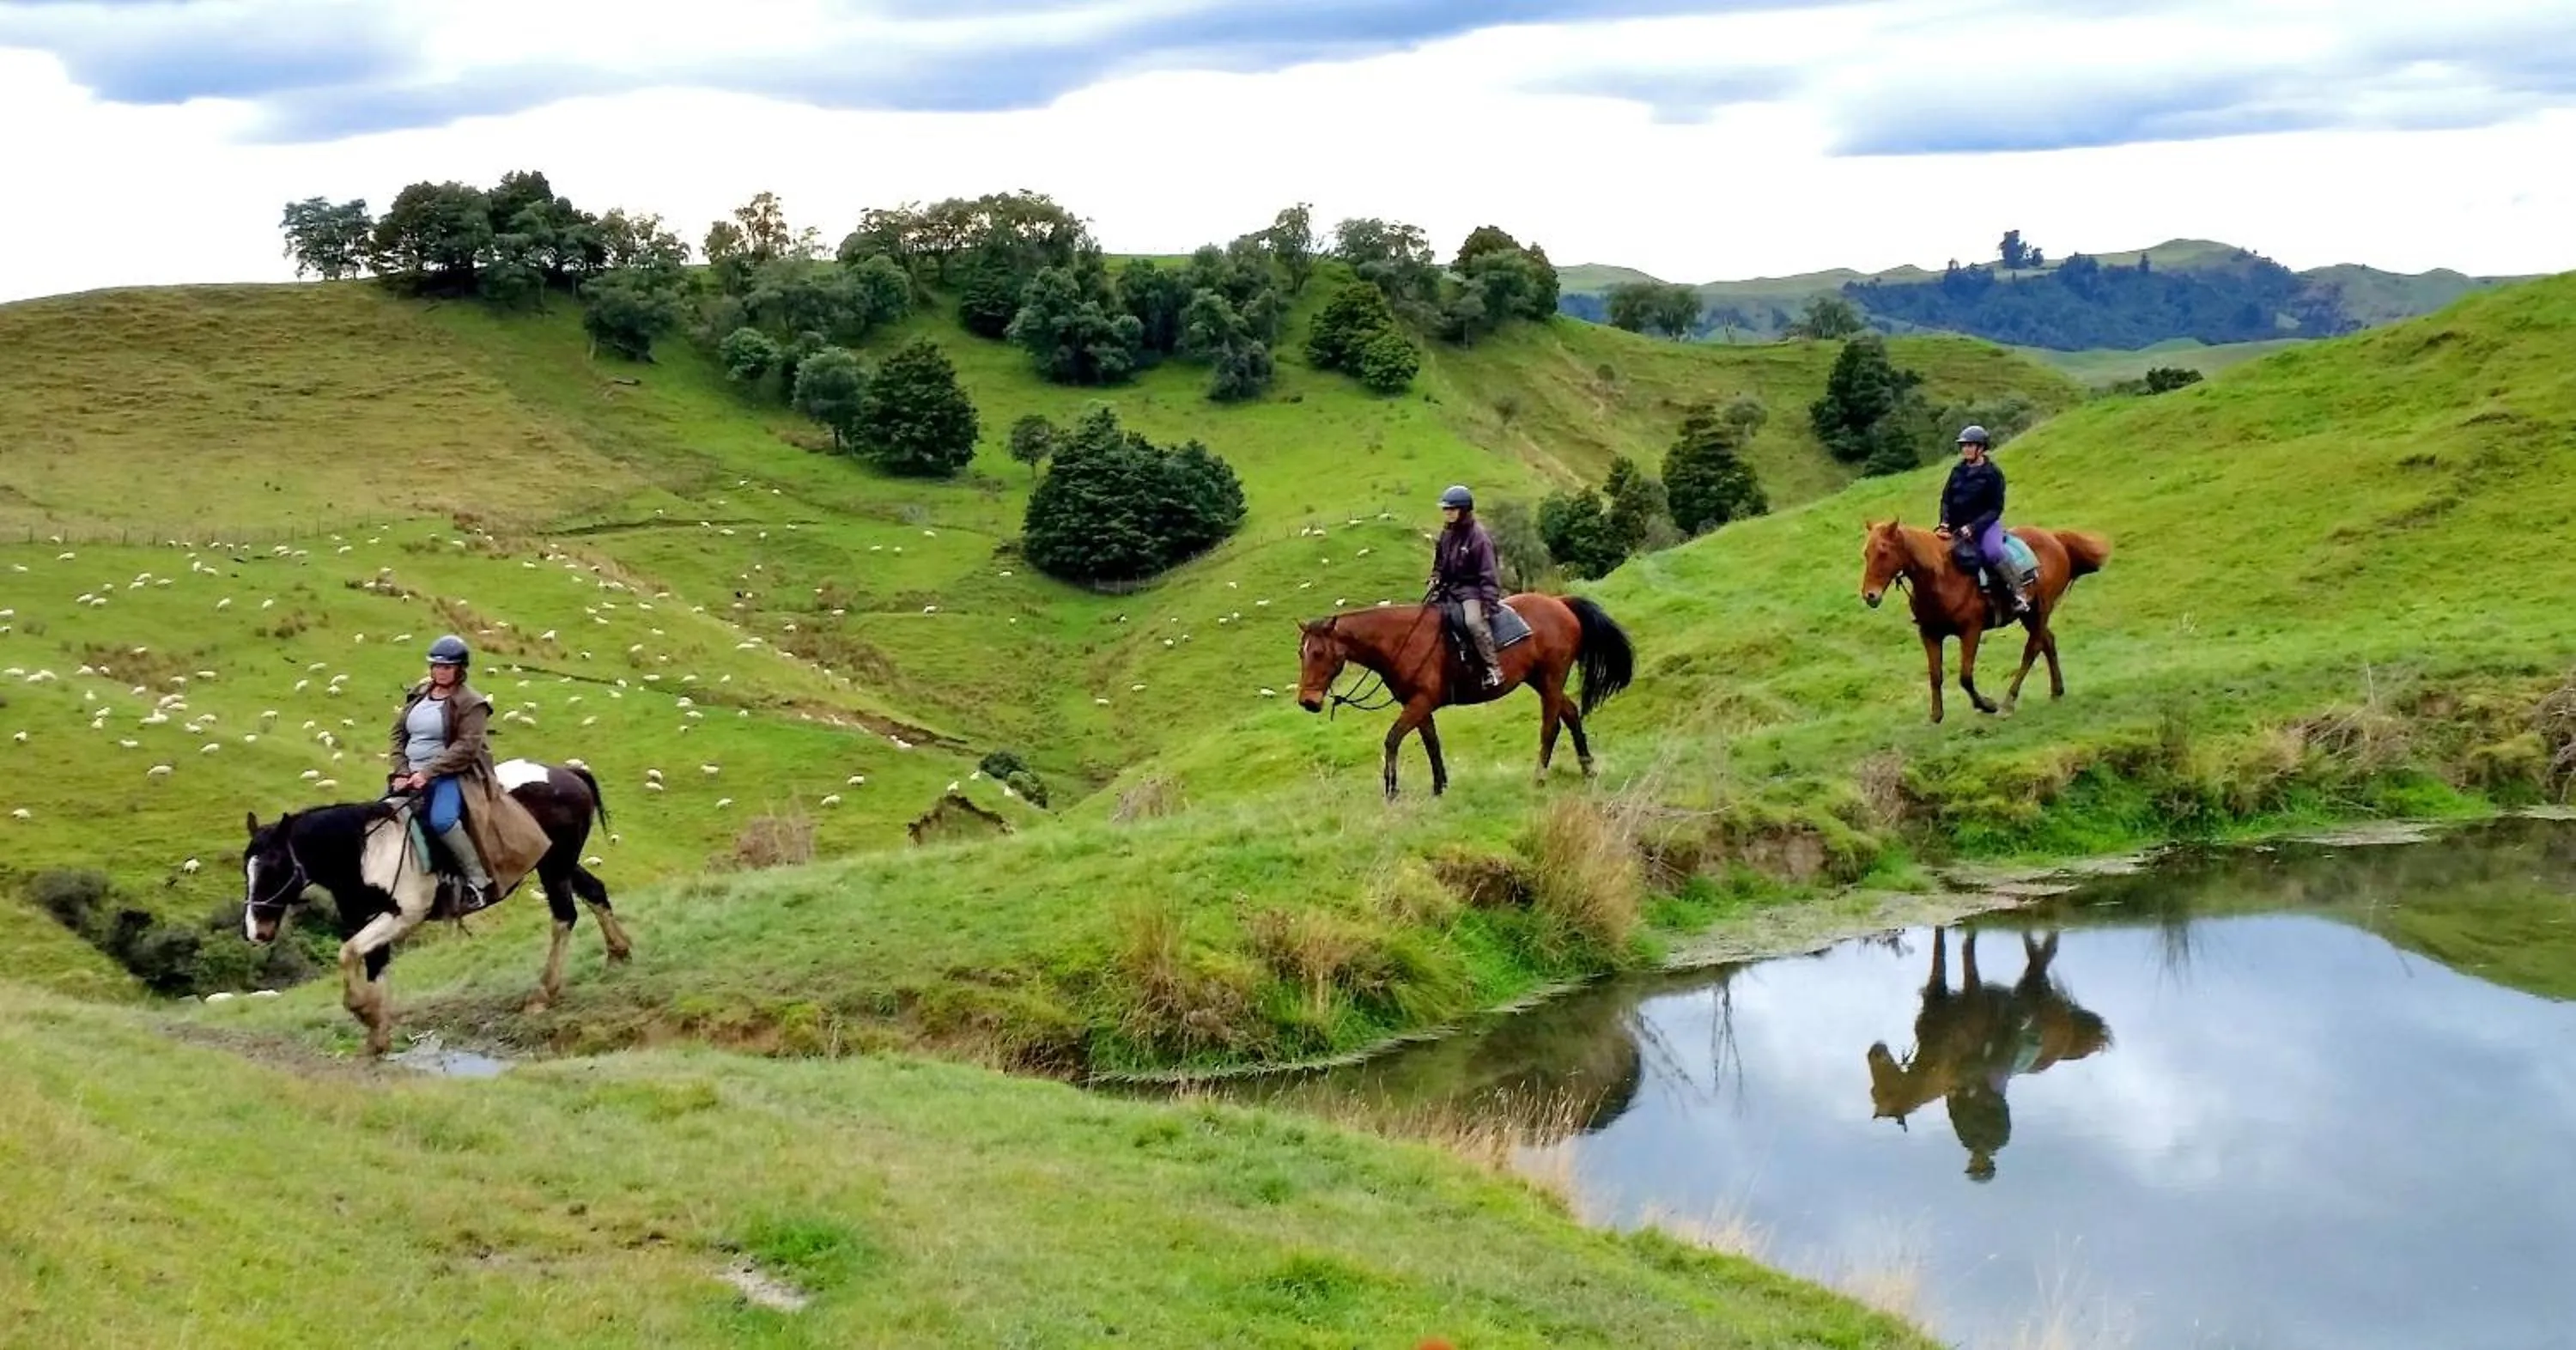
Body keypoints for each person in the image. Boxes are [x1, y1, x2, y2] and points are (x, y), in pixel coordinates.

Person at [386, 635, 546, 909]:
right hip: (410, 775)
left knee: (443, 821)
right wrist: (402, 771)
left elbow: (466, 748)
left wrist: (428, 772)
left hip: (453, 775)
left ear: (460, 669)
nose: (440, 671)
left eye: (447, 667)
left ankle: (477, 880)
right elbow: (398, 735)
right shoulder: (418, 696)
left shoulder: (472, 703)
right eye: (436, 666)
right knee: (382, 819)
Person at [1935, 425, 2028, 617]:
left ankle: (2018, 593)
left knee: (1993, 552)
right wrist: (1944, 523)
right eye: (1964, 445)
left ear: (1981, 448)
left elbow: (1995, 508)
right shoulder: (1957, 470)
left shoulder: (1993, 473)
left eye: (1971, 445)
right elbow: (1946, 499)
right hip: (1956, 526)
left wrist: (1973, 527)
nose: (1966, 449)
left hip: (1985, 526)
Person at [1428, 484, 1504, 688]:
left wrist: (1488, 605)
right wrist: (1435, 577)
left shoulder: (1479, 538)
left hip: (1473, 592)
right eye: (1445, 509)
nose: (1447, 513)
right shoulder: (1447, 534)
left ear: (1464, 510)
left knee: (1473, 623)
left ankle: (1492, 668)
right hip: (1449, 589)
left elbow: (1489, 575)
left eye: (1451, 509)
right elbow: (1440, 563)